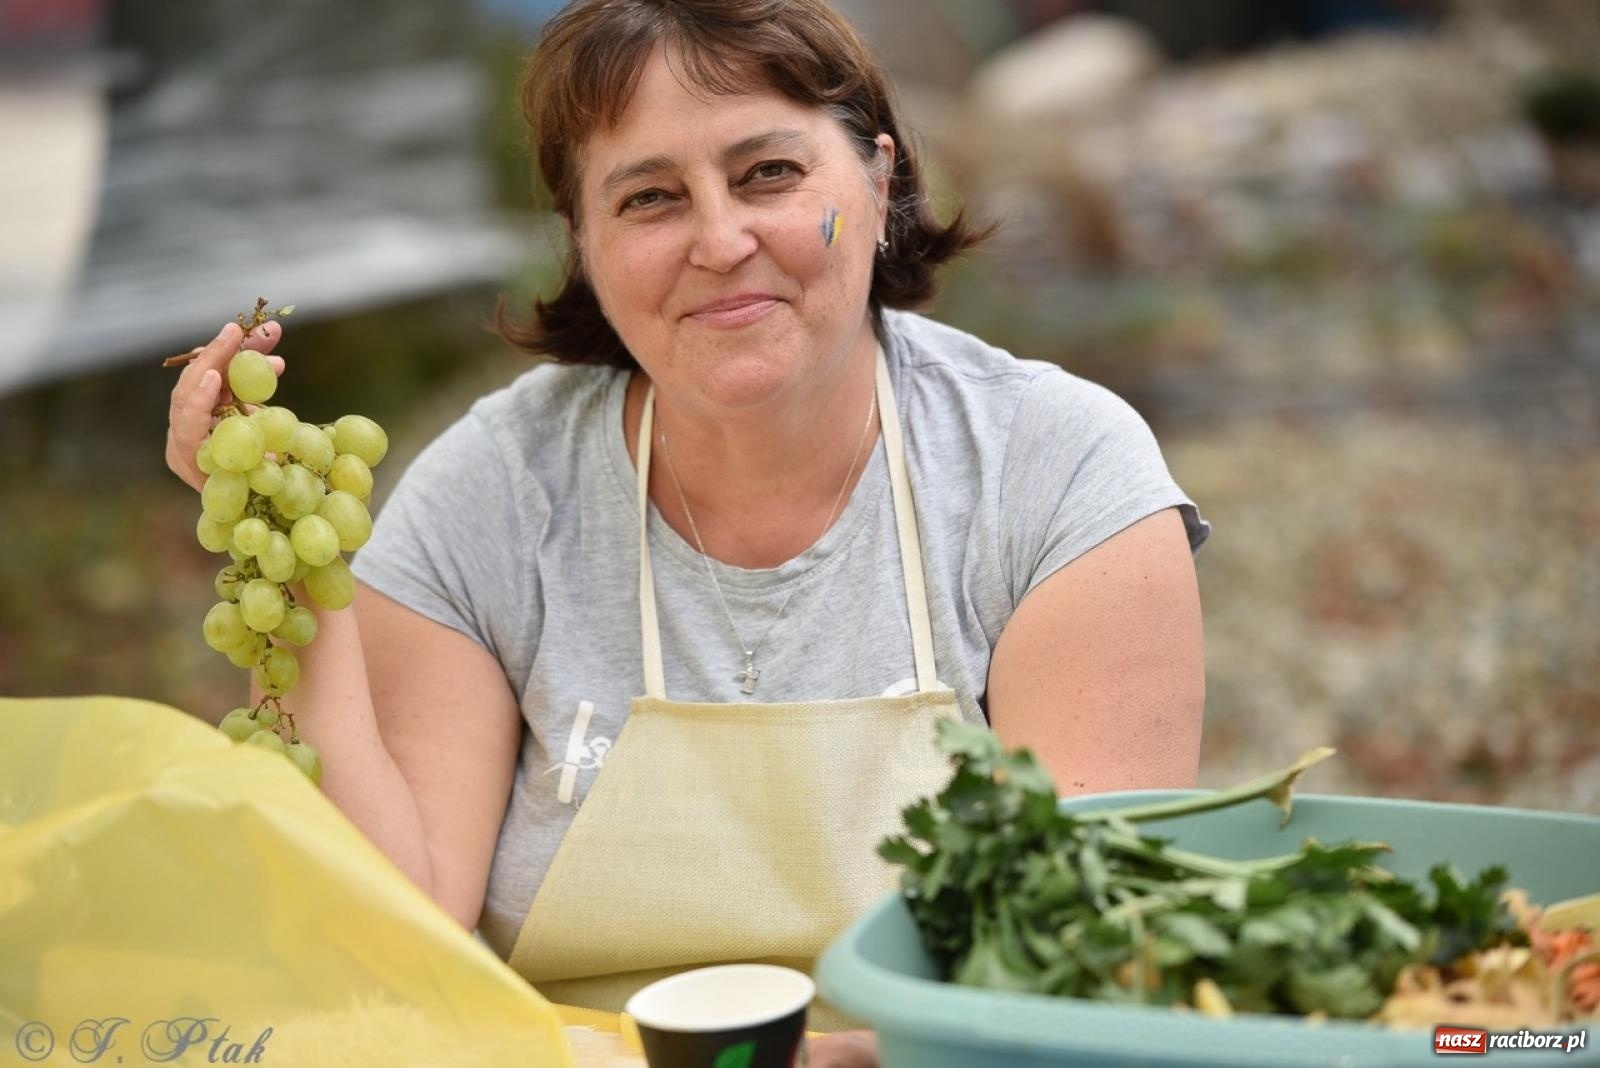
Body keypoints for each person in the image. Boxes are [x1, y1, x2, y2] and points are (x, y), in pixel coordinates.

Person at [165, 0, 1208, 1062]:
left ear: (879, 179)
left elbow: (1080, 962)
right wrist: (285, 563)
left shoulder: (1054, 471)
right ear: (581, 239)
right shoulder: (492, 498)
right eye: (650, 198)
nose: (719, 241)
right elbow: (388, 929)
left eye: (767, 174)